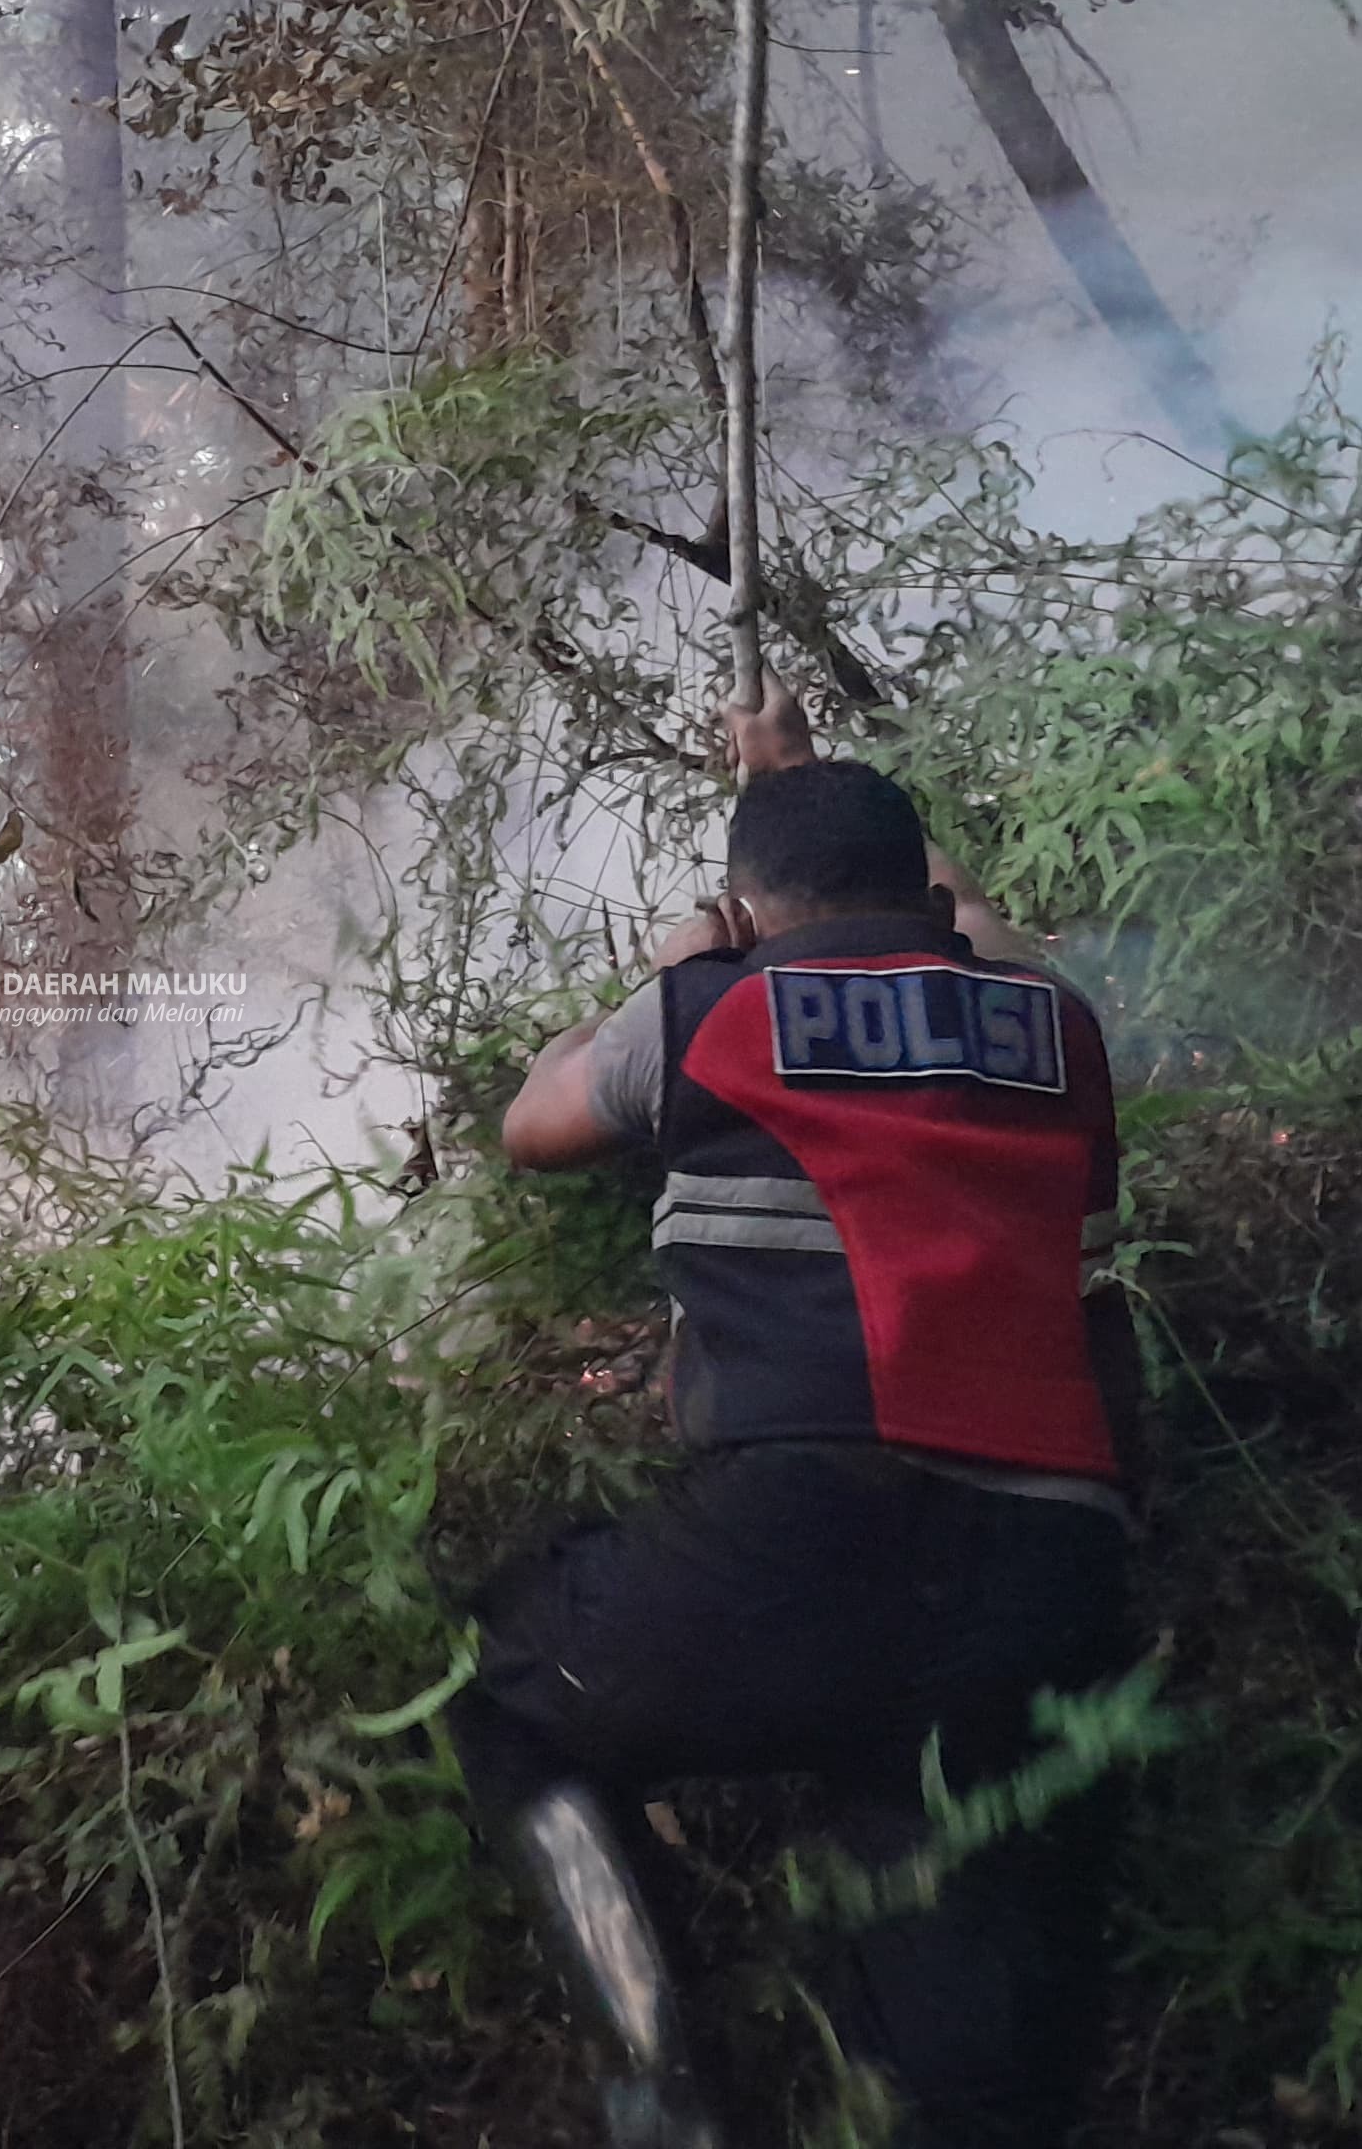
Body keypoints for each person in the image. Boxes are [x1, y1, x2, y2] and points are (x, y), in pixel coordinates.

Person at [457, 682, 1144, 2149]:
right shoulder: (1056, 1025)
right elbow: (984, 930)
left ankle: (661, 2100)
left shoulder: (719, 1012)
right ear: (925, 891)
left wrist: (670, 967)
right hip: (1052, 1573)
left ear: (747, 909)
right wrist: (812, 777)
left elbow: (533, 1119)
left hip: (810, 1529)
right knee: (956, 2047)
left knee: (512, 1698)